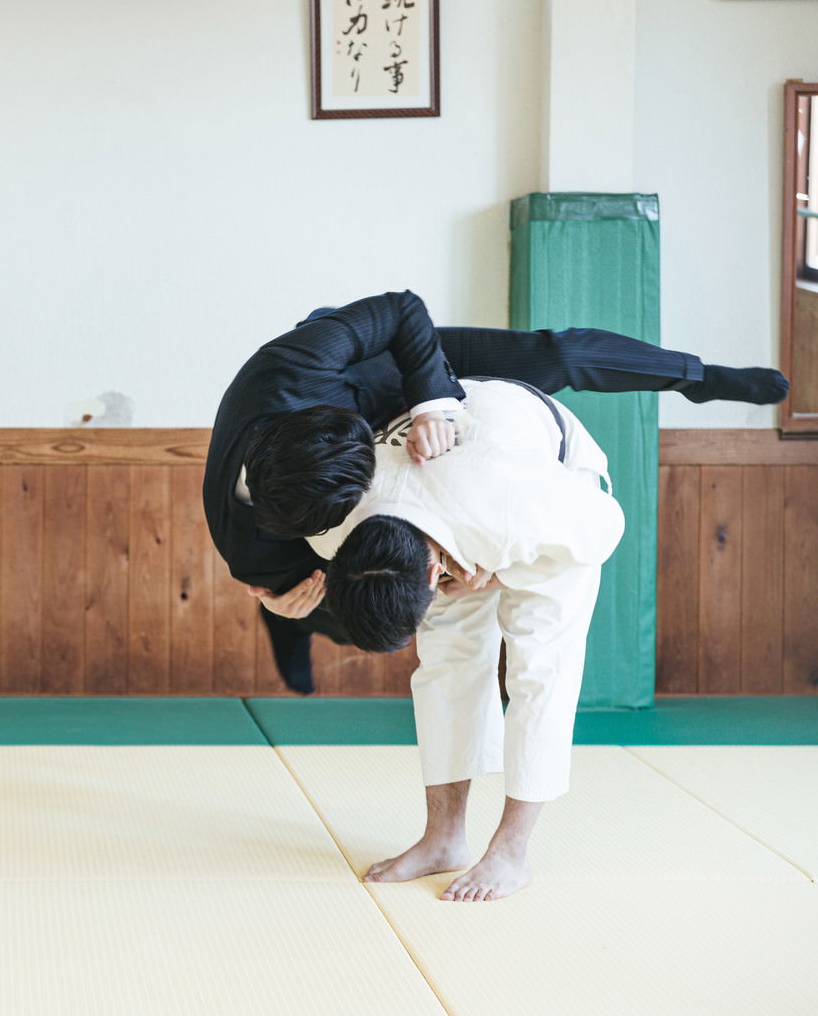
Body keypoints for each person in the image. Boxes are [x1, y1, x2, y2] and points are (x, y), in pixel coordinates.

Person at [204, 289, 788, 693]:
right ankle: (291, 627)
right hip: (302, 561)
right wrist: (279, 603)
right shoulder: (251, 548)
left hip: (394, 373)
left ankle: (696, 376)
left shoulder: (293, 367)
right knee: (342, 615)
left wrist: (429, 403)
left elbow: (402, 308)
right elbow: (372, 587)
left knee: (558, 354)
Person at [312, 378, 622, 901]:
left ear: (433, 572)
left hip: (551, 472)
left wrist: (496, 577)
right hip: (448, 489)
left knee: (540, 666)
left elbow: (605, 529)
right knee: (445, 656)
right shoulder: (332, 520)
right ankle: (443, 839)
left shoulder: (519, 504)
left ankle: (512, 852)